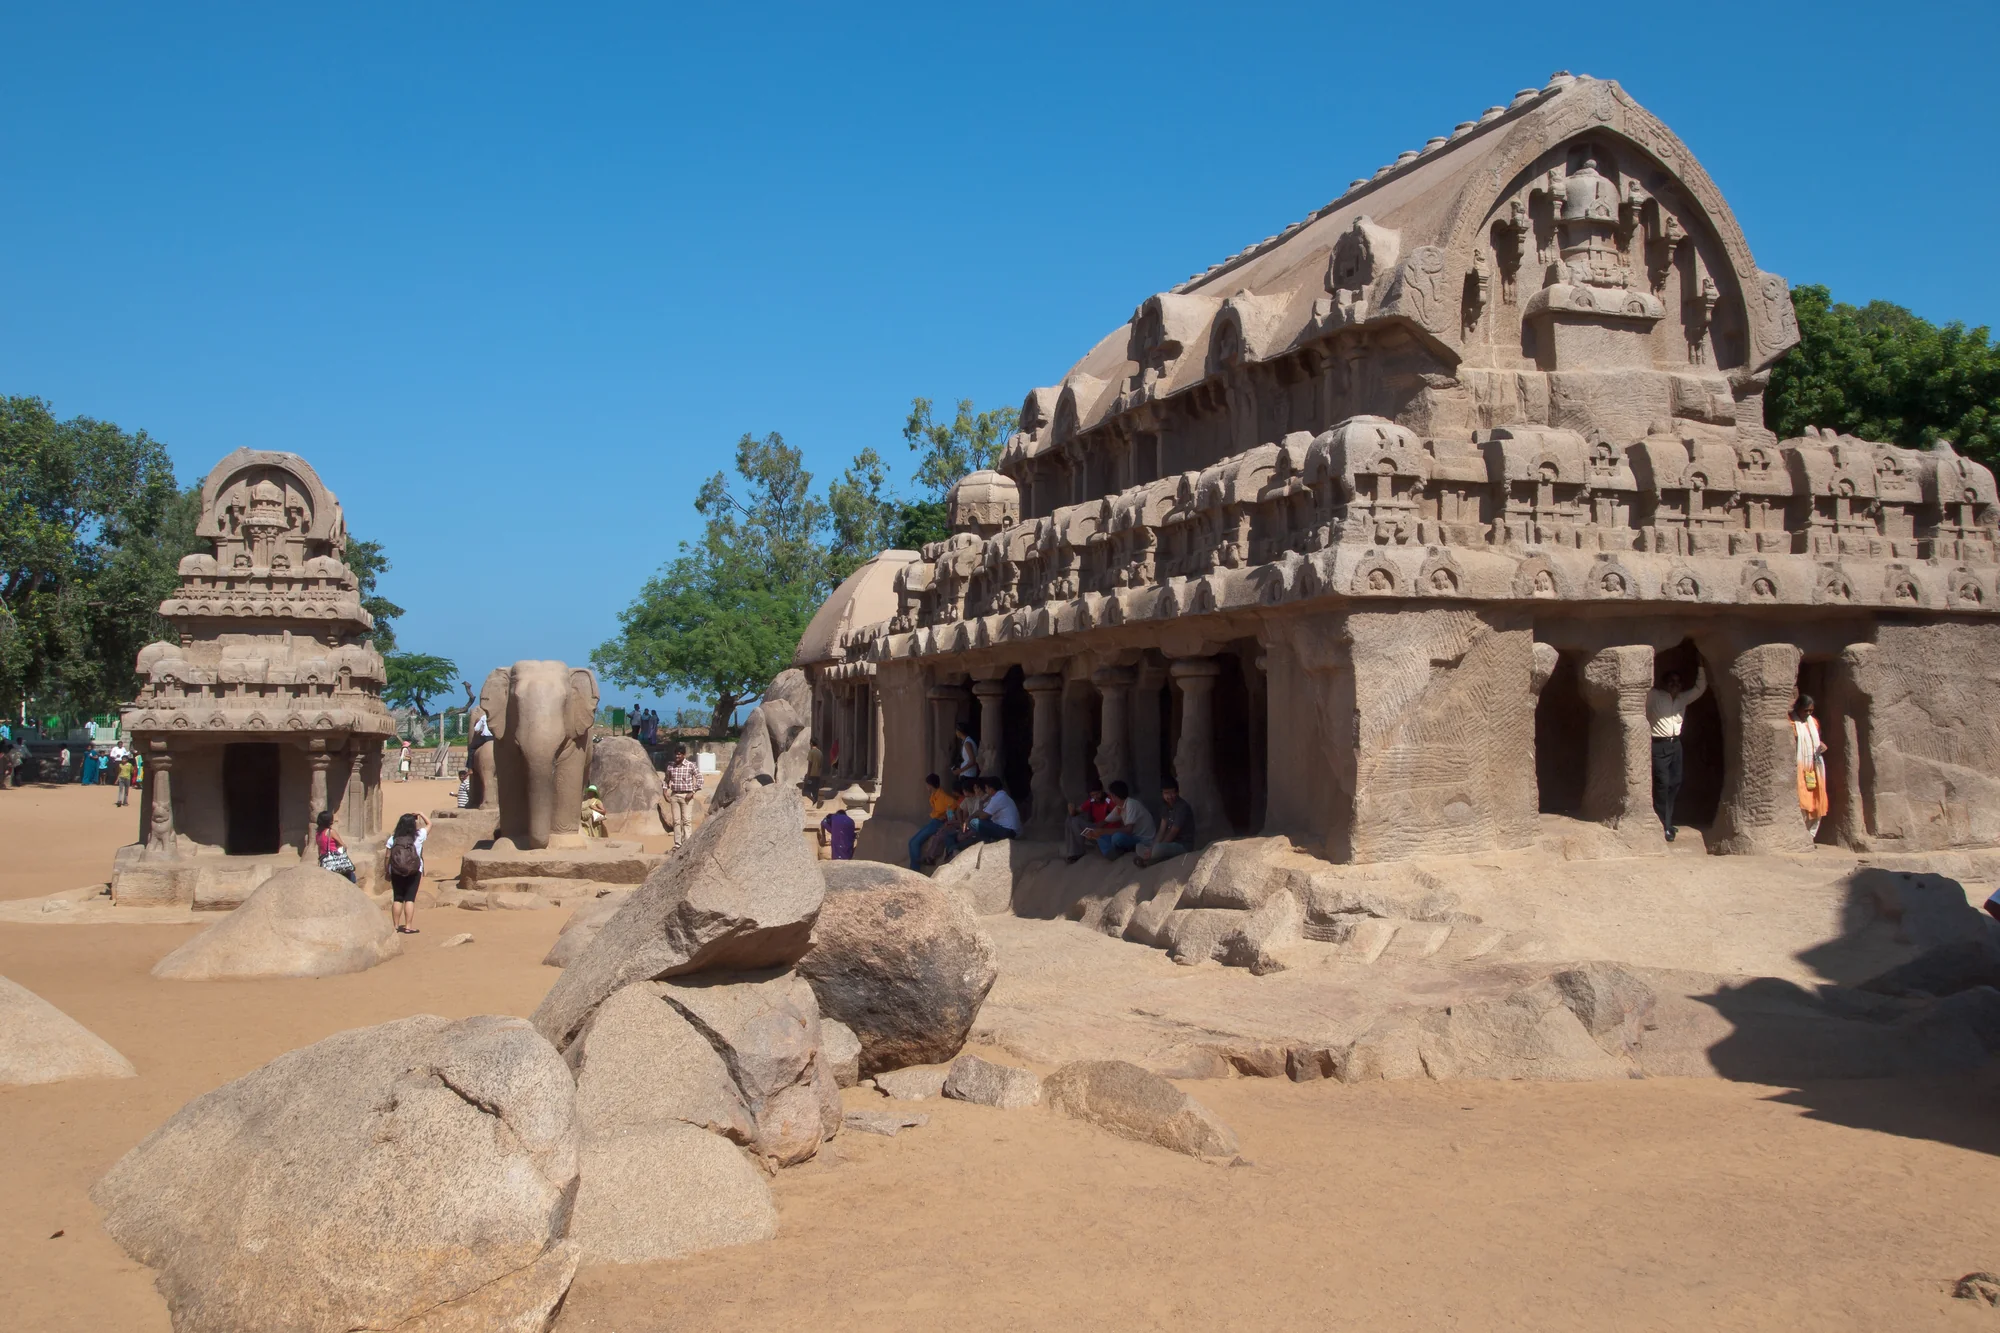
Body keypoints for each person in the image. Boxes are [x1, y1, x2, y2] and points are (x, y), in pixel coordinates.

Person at [1647, 665, 1707, 842]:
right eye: (1671, 681)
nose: (1675, 685)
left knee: (1674, 783)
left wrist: (1701, 666)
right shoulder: (1654, 696)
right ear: (1664, 683)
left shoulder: (1682, 699)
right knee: (1662, 785)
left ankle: (1667, 821)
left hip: (1675, 745)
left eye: (1678, 682)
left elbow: (1699, 688)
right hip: (1658, 744)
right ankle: (1663, 826)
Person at [1792, 693, 1829, 842]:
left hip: (1814, 767)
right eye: (1805, 710)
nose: (1808, 714)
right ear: (1798, 708)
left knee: (1816, 799)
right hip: (1800, 766)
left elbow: (1817, 740)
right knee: (1802, 800)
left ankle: (1811, 835)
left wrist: (1822, 745)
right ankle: (1801, 835)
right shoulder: (1791, 723)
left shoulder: (1814, 723)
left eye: (1810, 711)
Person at [1134, 780, 1197, 867]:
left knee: (1158, 849)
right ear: (1162, 794)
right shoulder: (1165, 806)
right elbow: (1162, 830)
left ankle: (1148, 860)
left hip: (1182, 845)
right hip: (1169, 843)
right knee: (1140, 845)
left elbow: (1173, 832)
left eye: (1172, 792)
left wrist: (1155, 848)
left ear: (1177, 792)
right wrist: (1152, 847)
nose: (1170, 796)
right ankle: (1151, 858)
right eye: (1166, 793)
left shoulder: (1182, 807)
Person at [1089, 780, 1157, 859]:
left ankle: (1117, 850)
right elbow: (1105, 821)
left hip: (1143, 839)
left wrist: (1104, 831)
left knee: (1117, 837)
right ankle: (1110, 853)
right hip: (1134, 837)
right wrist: (1092, 830)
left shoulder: (1131, 804)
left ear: (1114, 796)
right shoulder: (1120, 806)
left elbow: (1128, 830)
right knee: (1101, 836)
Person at [384, 812, 428, 933]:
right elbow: (430, 824)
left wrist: (387, 870)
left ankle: (395, 926)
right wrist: (420, 814)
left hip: (396, 870)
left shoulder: (393, 838)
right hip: (415, 871)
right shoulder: (419, 836)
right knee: (410, 898)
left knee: (397, 898)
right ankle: (408, 926)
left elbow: (387, 856)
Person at [956, 774, 1022, 848]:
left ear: (991, 789)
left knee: (974, 822)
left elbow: (982, 816)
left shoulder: (998, 798)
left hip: (1010, 832)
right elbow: (983, 814)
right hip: (1009, 830)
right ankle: (986, 841)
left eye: (986, 788)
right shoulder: (1001, 795)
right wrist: (980, 804)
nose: (986, 790)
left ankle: (987, 843)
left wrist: (971, 816)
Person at [908, 773, 956, 870]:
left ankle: (914, 870)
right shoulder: (934, 795)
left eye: (926, 785)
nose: (926, 787)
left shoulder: (942, 796)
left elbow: (953, 804)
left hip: (938, 823)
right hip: (934, 821)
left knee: (913, 843)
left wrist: (947, 816)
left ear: (930, 785)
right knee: (912, 842)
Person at [1064, 782, 1115, 862]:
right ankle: (1073, 852)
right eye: (1092, 795)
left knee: (1076, 821)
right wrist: (1072, 810)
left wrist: (1104, 822)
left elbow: (1117, 813)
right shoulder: (1092, 800)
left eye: (1097, 794)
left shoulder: (1109, 800)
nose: (1095, 797)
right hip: (1096, 830)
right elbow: (1077, 811)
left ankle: (1077, 852)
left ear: (1102, 790)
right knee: (1070, 819)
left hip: (1107, 832)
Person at [664, 745, 702, 843]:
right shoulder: (671, 767)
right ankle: (677, 843)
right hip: (674, 795)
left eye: (679, 755)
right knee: (676, 821)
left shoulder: (691, 765)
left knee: (686, 821)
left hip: (687, 796)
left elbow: (700, 779)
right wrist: (665, 791)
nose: (677, 756)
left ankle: (687, 843)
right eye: (676, 754)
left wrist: (693, 791)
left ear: (684, 755)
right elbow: (666, 780)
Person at [315, 811, 356, 882]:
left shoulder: (318, 834)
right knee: (352, 878)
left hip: (325, 861)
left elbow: (320, 848)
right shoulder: (330, 832)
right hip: (335, 860)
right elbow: (343, 845)